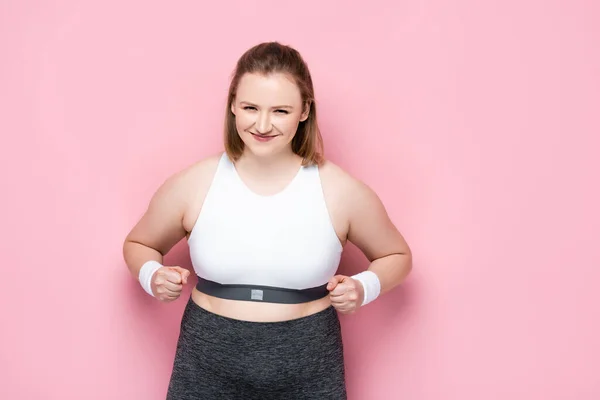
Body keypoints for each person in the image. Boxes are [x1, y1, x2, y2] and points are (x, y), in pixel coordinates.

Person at [123, 41, 412, 399]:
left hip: (308, 364)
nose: (262, 124)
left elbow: (398, 256)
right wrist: (153, 275)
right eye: (250, 107)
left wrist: (364, 287)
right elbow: (139, 244)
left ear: (305, 111)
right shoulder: (192, 183)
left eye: (280, 111)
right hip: (207, 362)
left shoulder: (340, 190)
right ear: (232, 105)